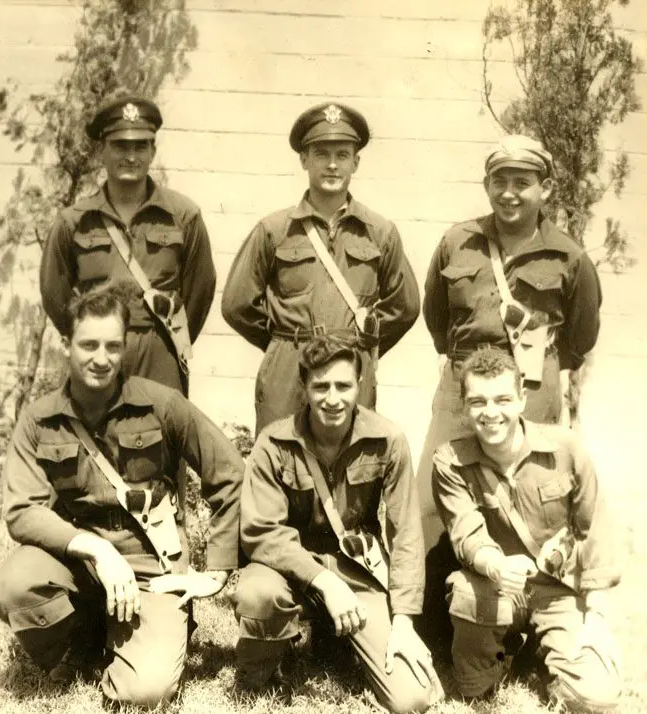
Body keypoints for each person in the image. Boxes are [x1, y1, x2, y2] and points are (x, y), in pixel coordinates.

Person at [0, 285, 244, 708]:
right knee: (14, 587)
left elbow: (230, 472)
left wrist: (216, 571)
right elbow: (21, 510)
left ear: (125, 348)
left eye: (112, 346)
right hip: (76, 559)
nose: (101, 358)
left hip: (150, 562)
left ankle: (142, 632)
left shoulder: (162, 404)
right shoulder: (40, 420)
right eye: (88, 344)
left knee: (146, 693)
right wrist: (94, 550)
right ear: (66, 344)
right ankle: (81, 642)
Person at [416, 134, 603, 650]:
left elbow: (581, 335)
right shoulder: (459, 243)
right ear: (486, 185)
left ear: (545, 188)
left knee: (531, 507)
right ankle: (432, 631)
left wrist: (532, 377)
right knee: (432, 505)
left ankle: (531, 629)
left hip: (532, 391)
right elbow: (436, 317)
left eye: (523, 182)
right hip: (462, 389)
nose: (510, 193)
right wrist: (470, 371)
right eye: (500, 181)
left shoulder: (569, 256)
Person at [231, 334, 442, 713]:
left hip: (355, 569)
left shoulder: (388, 440)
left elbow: (406, 531)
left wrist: (406, 622)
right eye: (320, 386)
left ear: (359, 385)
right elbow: (260, 532)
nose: (332, 398)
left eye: (343, 386)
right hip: (288, 570)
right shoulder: (273, 443)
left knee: (412, 699)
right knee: (258, 594)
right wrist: (323, 581)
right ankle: (267, 660)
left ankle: (338, 638)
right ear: (303, 387)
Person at [432, 346, 621, 711]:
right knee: (474, 686)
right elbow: (466, 533)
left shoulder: (566, 449)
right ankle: (503, 658)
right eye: (478, 402)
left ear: (522, 398)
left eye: (502, 399)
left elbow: (593, 529)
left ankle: (544, 646)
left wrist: (596, 616)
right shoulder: (450, 461)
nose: (491, 413)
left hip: (558, 591)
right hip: (495, 587)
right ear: (465, 406)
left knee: (596, 697)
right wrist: (497, 566)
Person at [221, 102, 420, 435]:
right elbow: (237, 304)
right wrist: (282, 342)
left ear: (356, 162)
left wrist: (362, 345)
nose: (331, 165)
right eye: (320, 154)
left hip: (350, 366)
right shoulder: (274, 229)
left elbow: (406, 306)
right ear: (304, 160)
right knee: (280, 460)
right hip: (289, 368)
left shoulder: (380, 231)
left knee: (352, 465)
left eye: (342, 155)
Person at [40, 95, 216, 396]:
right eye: (121, 146)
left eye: (140, 146)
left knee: (158, 434)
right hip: (100, 353)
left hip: (159, 349)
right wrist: (89, 336)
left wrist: (165, 339)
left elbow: (200, 290)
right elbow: (54, 294)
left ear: (152, 152)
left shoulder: (183, 216)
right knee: (96, 436)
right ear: (101, 152)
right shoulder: (74, 221)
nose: (131, 156)